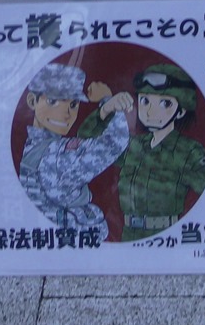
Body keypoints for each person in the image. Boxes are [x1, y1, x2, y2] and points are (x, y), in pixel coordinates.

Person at [80, 64, 205, 241]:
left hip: (167, 236)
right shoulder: (133, 146)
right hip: (128, 234)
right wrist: (105, 109)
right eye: (145, 101)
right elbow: (88, 144)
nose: (150, 111)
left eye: (165, 103)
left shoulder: (188, 152)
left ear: (180, 111)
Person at [18, 63, 133, 241]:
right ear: (33, 101)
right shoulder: (56, 153)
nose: (65, 113)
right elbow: (114, 142)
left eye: (73, 104)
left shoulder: (33, 145)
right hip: (74, 243)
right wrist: (108, 102)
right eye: (53, 101)